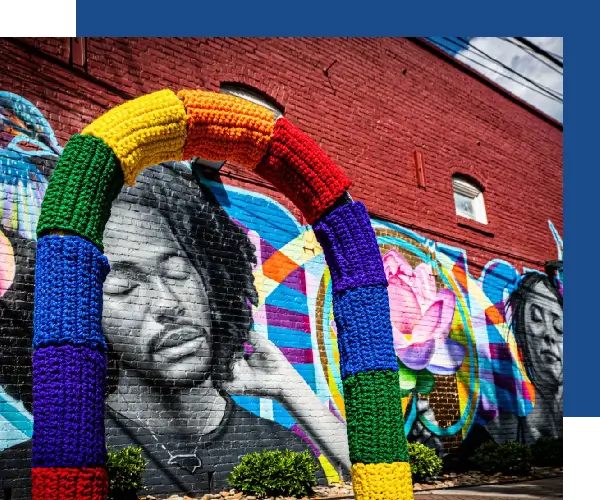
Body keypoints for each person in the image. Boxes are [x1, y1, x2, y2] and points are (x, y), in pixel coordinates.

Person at [0, 162, 350, 498]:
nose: (167, 303)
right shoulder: (36, 474)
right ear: (82, 312)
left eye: (177, 273)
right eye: (123, 287)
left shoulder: (284, 455)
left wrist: (288, 386)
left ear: (210, 278)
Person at [484, 271, 563, 445]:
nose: (549, 334)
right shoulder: (499, 424)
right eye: (536, 319)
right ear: (521, 337)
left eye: (559, 327)